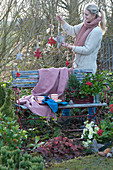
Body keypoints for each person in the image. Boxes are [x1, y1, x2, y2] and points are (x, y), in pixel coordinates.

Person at [56, 3, 107, 121]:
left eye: (87, 15)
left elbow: (87, 49)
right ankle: (65, 118)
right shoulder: (85, 25)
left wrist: (71, 47)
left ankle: (91, 120)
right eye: (84, 14)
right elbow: (72, 30)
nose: (85, 17)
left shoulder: (96, 31)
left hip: (88, 68)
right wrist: (62, 21)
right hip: (77, 66)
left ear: (94, 15)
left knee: (89, 94)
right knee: (69, 89)